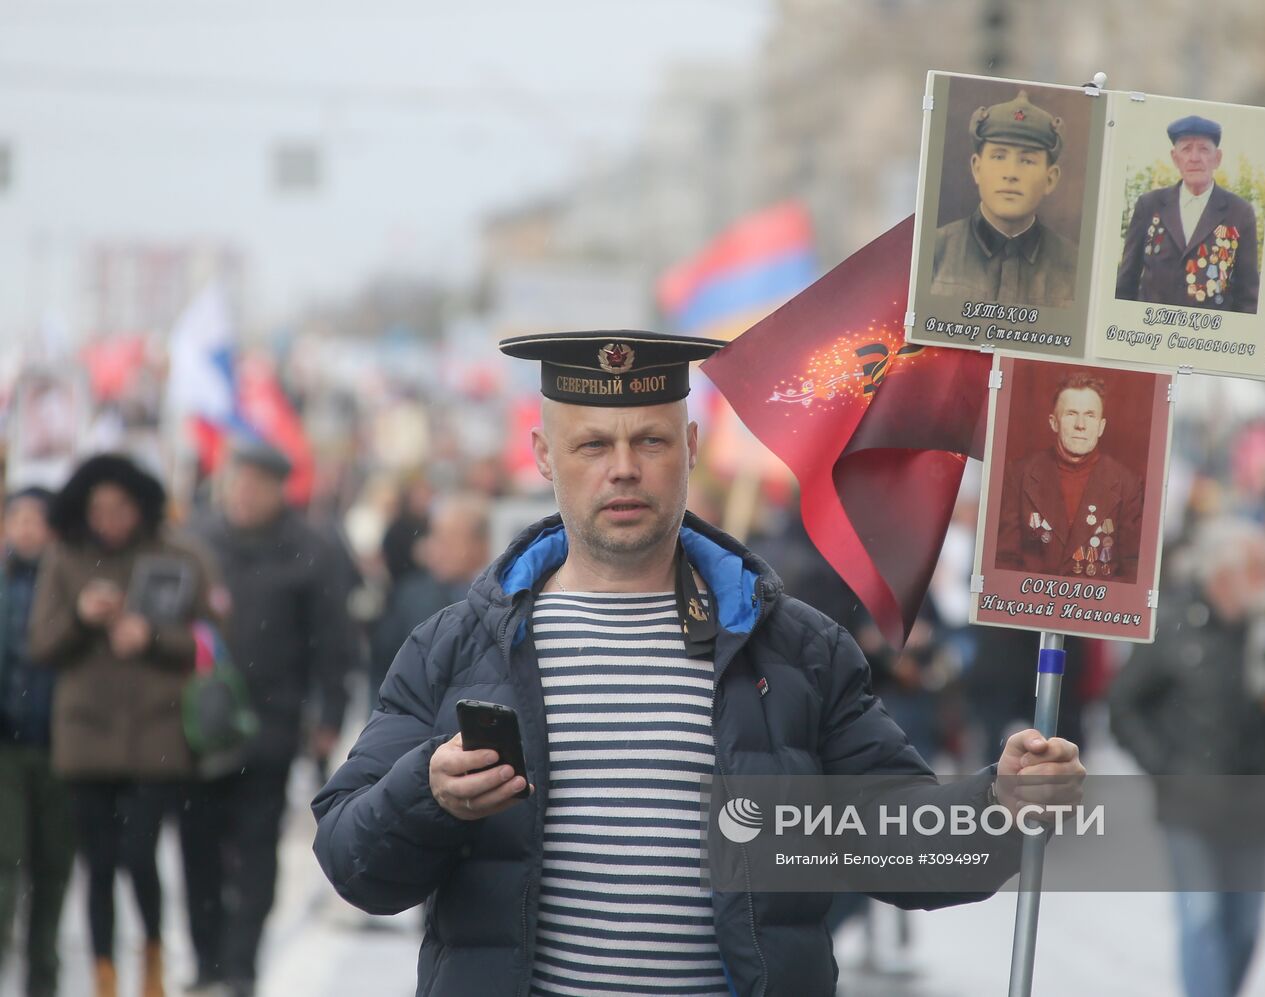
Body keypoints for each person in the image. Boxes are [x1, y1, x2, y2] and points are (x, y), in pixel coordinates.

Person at [312, 330, 1086, 996]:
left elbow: (906, 848)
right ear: (545, 455)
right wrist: (429, 793)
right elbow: (353, 860)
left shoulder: (797, 651)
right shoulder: (455, 645)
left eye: (649, 440)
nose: (623, 468)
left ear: (686, 449)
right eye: (593, 444)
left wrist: (1002, 805)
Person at [28, 454, 215, 997]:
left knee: (141, 853)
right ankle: (103, 971)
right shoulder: (64, 557)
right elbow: (40, 645)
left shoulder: (177, 556)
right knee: (100, 862)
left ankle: (153, 959)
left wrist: (151, 638)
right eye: (99, 509)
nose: (109, 520)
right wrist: (83, 619)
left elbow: (207, 641)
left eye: (121, 508)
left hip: (155, 735)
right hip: (85, 736)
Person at [176, 437, 356, 997]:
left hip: (272, 722)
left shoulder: (310, 548)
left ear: (280, 490)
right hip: (199, 726)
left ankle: (240, 966)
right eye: (238, 482)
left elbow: (334, 640)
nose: (244, 495)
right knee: (197, 846)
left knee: (256, 849)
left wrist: (329, 714)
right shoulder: (197, 542)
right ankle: (206, 961)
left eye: (257, 485)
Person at [1110, 517, 1265, 997]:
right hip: (1191, 803)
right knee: (1203, 915)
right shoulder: (1174, 623)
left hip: (1254, 800)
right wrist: (1164, 768)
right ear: (1225, 574)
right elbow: (1124, 706)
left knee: (1246, 924)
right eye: (1259, 570)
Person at [0, 487, 75, 997]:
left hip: (61, 748)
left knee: (53, 871)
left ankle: (41, 980)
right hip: (7, 746)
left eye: (37, 519)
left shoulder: (70, 583)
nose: (27, 529)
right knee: (6, 866)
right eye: (17, 518)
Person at [929, 89, 1078, 308]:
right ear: (977, 168)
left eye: (1027, 161)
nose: (1011, 173)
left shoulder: (1075, 266)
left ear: (1050, 178)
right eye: (999, 157)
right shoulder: (936, 250)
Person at [995, 370, 1144, 582]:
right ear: (1054, 422)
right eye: (1071, 414)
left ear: (1101, 427)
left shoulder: (1128, 483)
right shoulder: (1018, 475)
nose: (1080, 425)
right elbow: (1003, 561)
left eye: (1090, 415)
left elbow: (1133, 571)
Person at [1114, 114, 1261, 313]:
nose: (1194, 158)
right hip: (1150, 334)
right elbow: (1125, 285)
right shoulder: (1149, 206)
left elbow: (1249, 297)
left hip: (1209, 338)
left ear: (1217, 158)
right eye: (1186, 149)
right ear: (1175, 158)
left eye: (1203, 149)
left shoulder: (1240, 212)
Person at [369, 493, 492, 709]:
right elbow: (383, 664)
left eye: (451, 538)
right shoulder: (410, 594)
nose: (438, 548)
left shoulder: (500, 597)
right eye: (435, 536)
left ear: (480, 545)